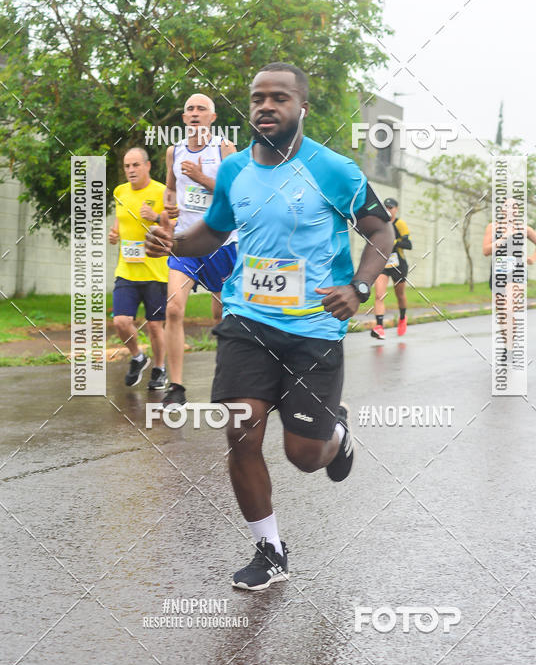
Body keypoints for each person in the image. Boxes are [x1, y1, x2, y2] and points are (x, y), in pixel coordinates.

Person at [146, 62, 394, 590]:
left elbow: (379, 231)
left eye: (279, 98)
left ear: (302, 107)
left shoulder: (334, 170)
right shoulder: (235, 170)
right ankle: (270, 549)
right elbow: (212, 232)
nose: (266, 106)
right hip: (247, 321)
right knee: (240, 431)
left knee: (304, 456)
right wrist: (173, 242)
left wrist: (359, 287)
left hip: (315, 328)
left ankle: (336, 435)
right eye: (259, 97)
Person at [161, 93, 237, 410]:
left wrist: (201, 177)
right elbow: (170, 187)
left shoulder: (225, 149)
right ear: (183, 118)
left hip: (221, 242)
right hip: (186, 242)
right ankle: (176, 386)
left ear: (212, 118)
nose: (195, 113)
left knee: (222, 317)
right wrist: (168, 204)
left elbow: (235, 193)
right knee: (174, 309)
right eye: (190, 109)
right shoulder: (173, 151)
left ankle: (227, 381)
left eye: (201, 109)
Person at [109, 147, 169, 388]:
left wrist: (155, 216)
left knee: (156, 326)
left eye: (135, 165)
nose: (131, 170)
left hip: (156, 272)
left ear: (147, 166)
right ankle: (138, 356)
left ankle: (159, 369)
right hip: (127, 270)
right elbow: (120, 220)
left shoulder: (162, 191)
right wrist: (115, 233)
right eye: (127, 166)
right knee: (120, 321)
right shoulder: (120, 191)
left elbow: (175, 225)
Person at [483, 199, 536, 352]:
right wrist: (504, 237)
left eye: (515, 207)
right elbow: (486, 251)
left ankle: (511, 347)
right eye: (508, 207)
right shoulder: (493, 227)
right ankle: (507, 346)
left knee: (510, 309)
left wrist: (533, 258)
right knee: (502, 312)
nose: (511, 210)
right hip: (498, 271)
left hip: (517, 271)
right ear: (502, 209)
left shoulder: (524, 229)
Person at [370, 197, 411, 339]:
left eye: (391, 207)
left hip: (398, 265)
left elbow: (408, 244)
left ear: (396, 209)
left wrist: (392, 242)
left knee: (399, 295)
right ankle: (379, 326)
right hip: (383, 264)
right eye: (386, 207)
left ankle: (402, 318)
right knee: (379, 295)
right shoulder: (380, 223)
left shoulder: (400, 224)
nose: (388, 210)